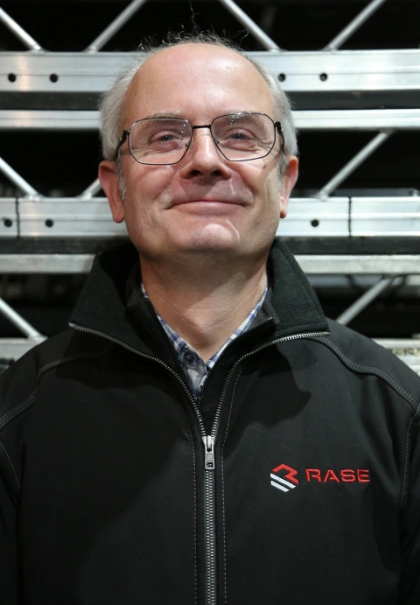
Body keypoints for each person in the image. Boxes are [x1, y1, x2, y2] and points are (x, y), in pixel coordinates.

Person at [0, 34, 419, 605]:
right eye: (164, 136)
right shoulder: (20, 414)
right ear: (115, 191)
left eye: (240, 134)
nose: (204, 160)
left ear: (284, 184)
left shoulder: (394, 409)